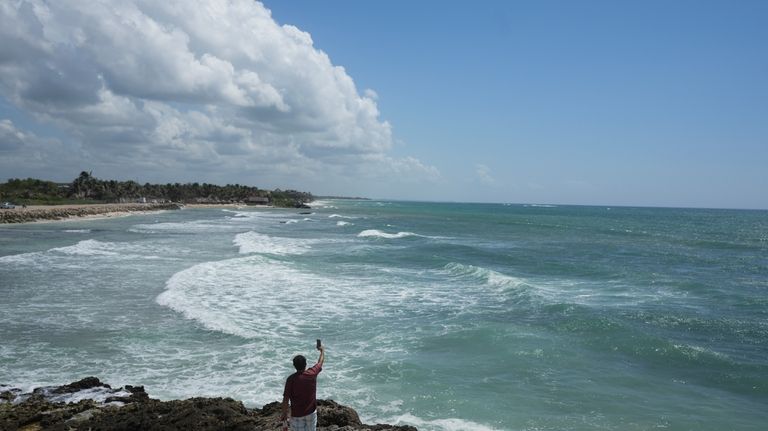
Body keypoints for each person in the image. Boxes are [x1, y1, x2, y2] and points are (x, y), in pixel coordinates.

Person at [281, 343, 325, 431]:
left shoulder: (291, 379)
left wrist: (284, 414)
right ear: (305, 364)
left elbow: (286, 399)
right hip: (311, 413)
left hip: (297, 415)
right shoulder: (312, 373)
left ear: (294, 366)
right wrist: (322, 351)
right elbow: (320, 363)